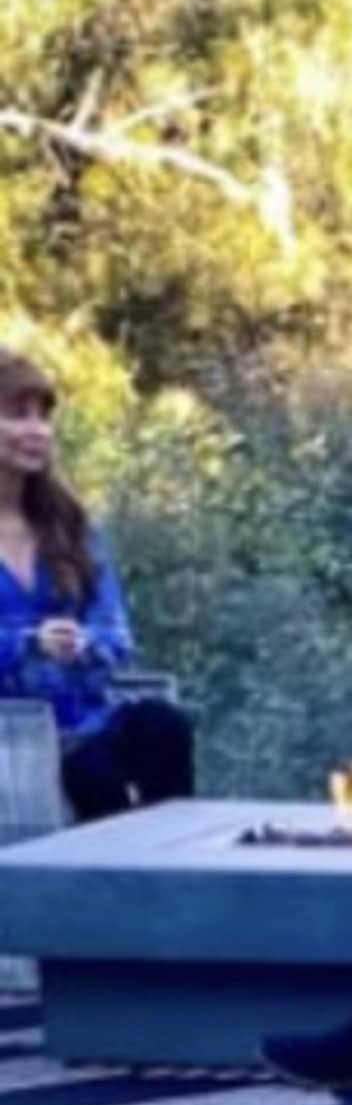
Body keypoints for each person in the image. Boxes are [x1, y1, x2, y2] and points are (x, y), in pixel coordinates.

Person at [0, 351, 197, 820]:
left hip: (83, 719)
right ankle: (108, 884)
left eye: (44, 416)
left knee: (161, 724)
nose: (37, 432)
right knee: (95, 776)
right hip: (11, 735)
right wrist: (28, 645)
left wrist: (83, 644)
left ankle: (176, 870)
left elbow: (116, 635)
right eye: (16, 415)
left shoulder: (70, 526)